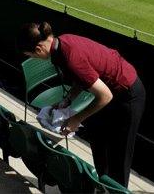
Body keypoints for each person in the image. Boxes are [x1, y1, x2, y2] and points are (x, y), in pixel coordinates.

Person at [17, 22, 145, 188]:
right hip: (112, 93)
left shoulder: (69, 57)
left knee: (119, 156)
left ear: (39, 49)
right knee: (98, 139)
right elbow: (82, 77)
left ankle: (116, 189)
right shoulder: (61, 44)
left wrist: (76, 119)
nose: (33, 58)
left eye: (31, 55)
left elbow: (105, 96)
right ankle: (103, 186)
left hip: (129, 95)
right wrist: (67, 100)